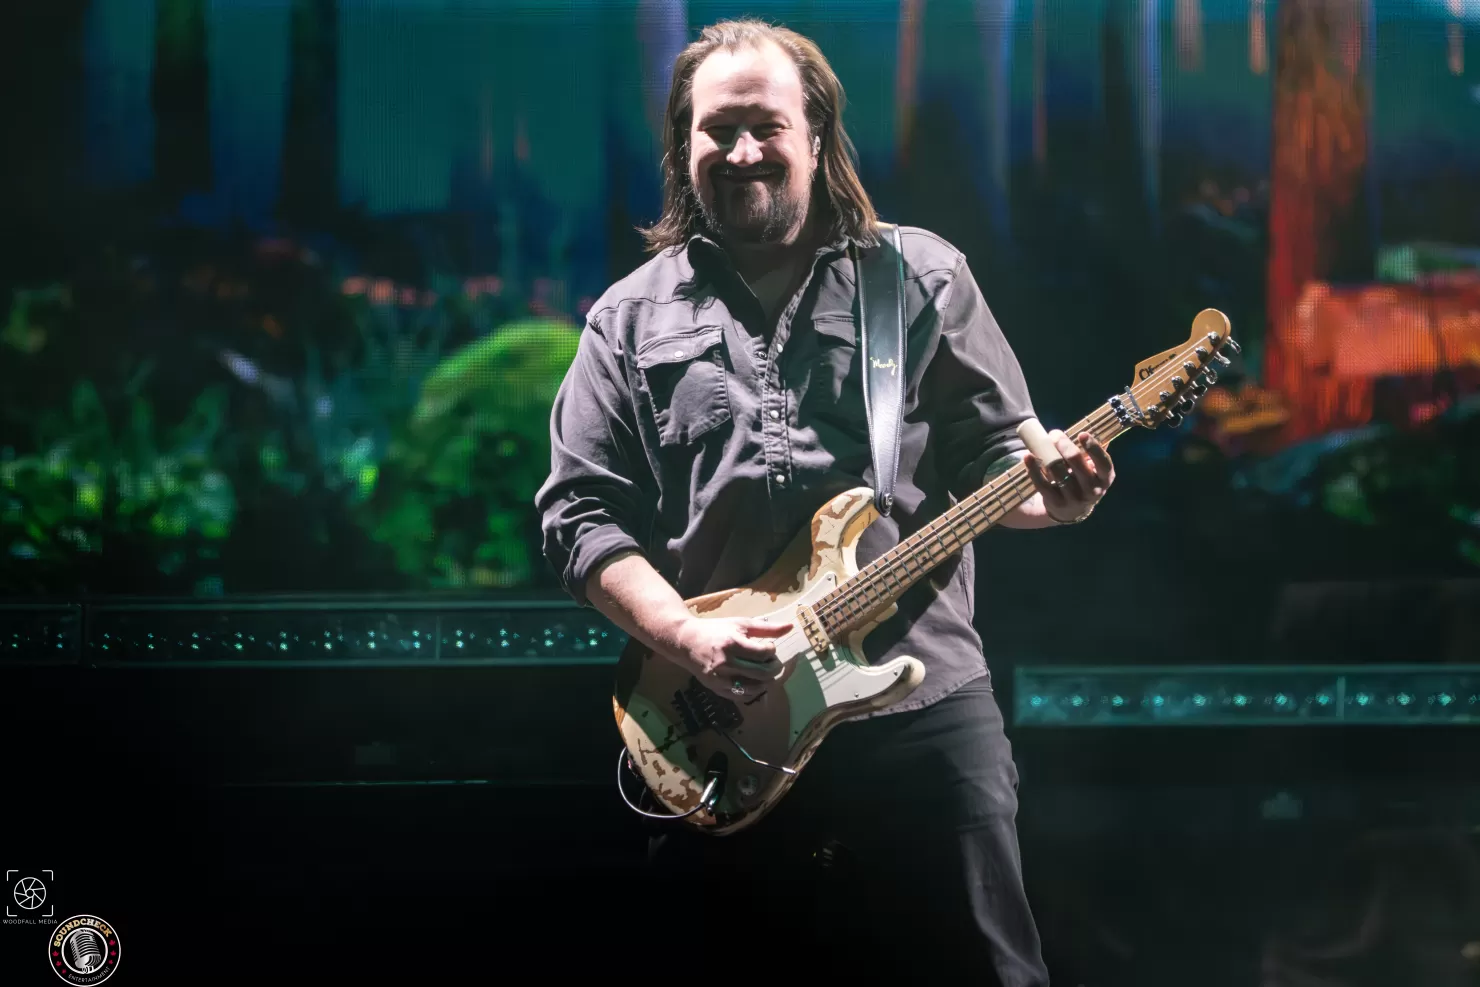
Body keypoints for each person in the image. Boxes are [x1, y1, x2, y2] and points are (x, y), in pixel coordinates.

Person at [535, 18, 1114, 984]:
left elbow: (994, 463)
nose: (743, 151)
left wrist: (1055, 500)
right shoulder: (628, 317)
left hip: (921, 705)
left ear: (815, 135)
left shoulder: (919, 276)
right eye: (717, 130)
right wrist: (685, 636)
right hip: (724, 723)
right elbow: (578, 515)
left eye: (765, 125)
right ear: (684, 145)